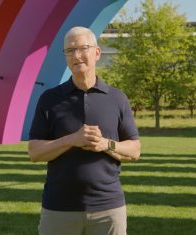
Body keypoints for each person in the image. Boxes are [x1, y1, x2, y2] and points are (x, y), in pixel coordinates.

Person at [28, 26, 141, 235]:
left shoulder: (117, 98)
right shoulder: (49, 99)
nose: (76, 55)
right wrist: (71, 140)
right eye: (70, 51)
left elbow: (134, 150)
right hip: (58, 208)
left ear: (97, 52)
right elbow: (34, 152)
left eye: (82, 48)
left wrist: (105, 144)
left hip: (108, 208)